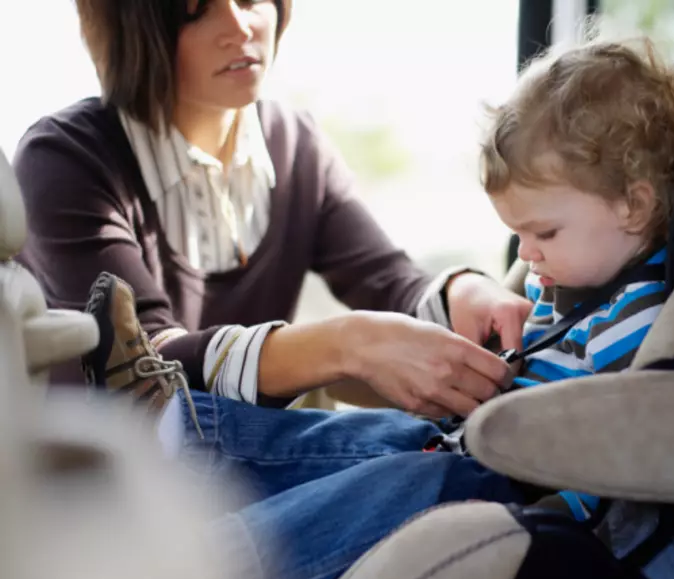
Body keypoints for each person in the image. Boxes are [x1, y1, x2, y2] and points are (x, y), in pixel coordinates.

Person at [82, 35, 674, 579]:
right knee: (352, 435)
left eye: (545, 233)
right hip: (468, 449)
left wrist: (527, 458)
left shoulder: (635, 321)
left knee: (412, 478)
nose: (527, 253)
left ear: (634, 207)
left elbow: (622, 466)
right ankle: (183, 427)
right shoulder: (564, 284)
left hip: (527, 495)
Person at [14, 0, 530, 420]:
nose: (239, 27)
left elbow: (390, 281)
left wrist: (465, 291)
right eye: (196, 9)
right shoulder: (65, 157)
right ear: (134, 26)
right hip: (115, 486)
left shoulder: (294, 144)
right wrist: (348, 344)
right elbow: (146, 364)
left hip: (244, 460)